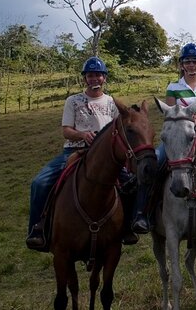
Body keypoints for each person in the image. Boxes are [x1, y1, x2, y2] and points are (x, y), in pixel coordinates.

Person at [26, 56, 139, 248]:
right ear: (85, 78)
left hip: (104, 156)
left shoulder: (112, 102)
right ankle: (38, 228)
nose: (94, 79)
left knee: (131, 182)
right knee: (40, 182)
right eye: (90, 75)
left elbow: (118, 129)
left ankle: (127, 226)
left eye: (98, 75)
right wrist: (82, 135)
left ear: (104, 78)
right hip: (75, 151)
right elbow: (66, 130)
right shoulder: (74, 101)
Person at [131, 43, 196, 238]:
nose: (191, 65)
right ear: (181, 65)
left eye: (195, 61)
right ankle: (142, 213)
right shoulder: (173, 88)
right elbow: (171, 115)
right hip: (178, 138)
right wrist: (188, 121)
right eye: (187, 62)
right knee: (155, 164)